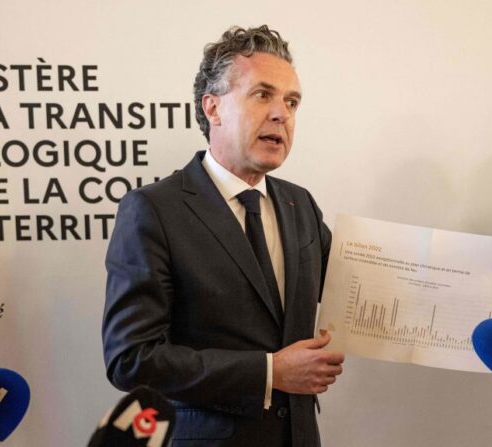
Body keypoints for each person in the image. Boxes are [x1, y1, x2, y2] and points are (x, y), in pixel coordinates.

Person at [102, 25, 344, 446]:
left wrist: (491, 292)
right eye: (262, 95)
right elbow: (131, 359)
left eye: (292, 102)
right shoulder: (154, 210)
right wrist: (270, 372)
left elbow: (372, 291)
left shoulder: (299, 204)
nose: (281, 114)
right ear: (212, 108)